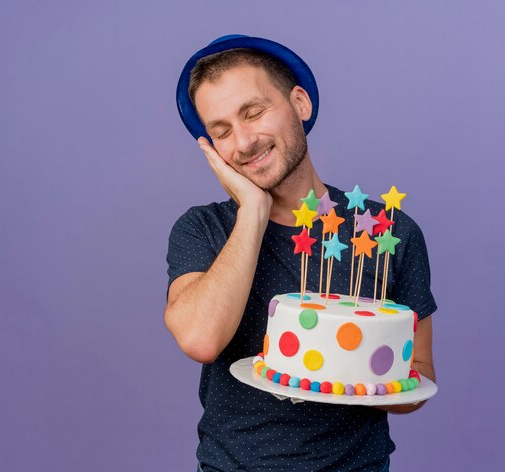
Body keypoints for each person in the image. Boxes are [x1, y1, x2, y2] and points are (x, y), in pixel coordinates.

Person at [165, 35, 437, 472]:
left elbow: (419, 372)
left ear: (300, 103)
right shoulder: (202, 229)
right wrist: (253, 210)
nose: (244, 141)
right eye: (222, 132)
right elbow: (201, 339)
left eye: (254, 113)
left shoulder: (389, 232)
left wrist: (352, 369)